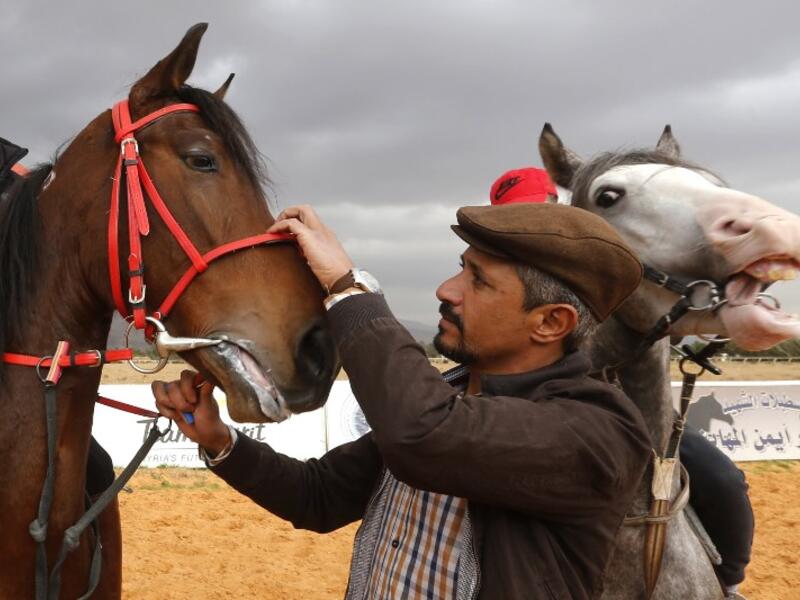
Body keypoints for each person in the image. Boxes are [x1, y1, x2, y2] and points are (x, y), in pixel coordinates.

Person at [153, 201, 652, 599]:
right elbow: (319, 496)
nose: (447, 290)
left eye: (478, 281)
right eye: (462, 268)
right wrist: (219, 441)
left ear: (550, 323)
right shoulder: (448, 397)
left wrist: (348, 289)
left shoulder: (598, 429)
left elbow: (423, 433)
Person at [490, 167, 754, 598]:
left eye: (540, 210)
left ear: (558, 206)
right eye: (517, 216)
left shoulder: (606, 259)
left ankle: (729, 581)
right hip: (542, 409)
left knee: (721, 477)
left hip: (640, 410)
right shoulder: (497, 271)